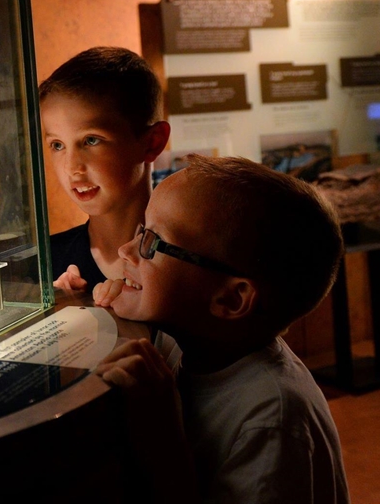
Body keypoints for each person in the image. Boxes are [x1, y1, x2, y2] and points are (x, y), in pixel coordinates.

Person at [95, 154, 349, 503]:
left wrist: (163, 436)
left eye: (152, 243)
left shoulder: (271, 419)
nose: (126, 249)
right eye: (142, 230)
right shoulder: (189, 338)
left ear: (230, 300)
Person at [38, 46, 170, 299]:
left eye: (91, 141)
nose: (71, 168)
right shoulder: (44, 264)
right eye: (57, 145)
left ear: (153, 142)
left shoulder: (189, 265)